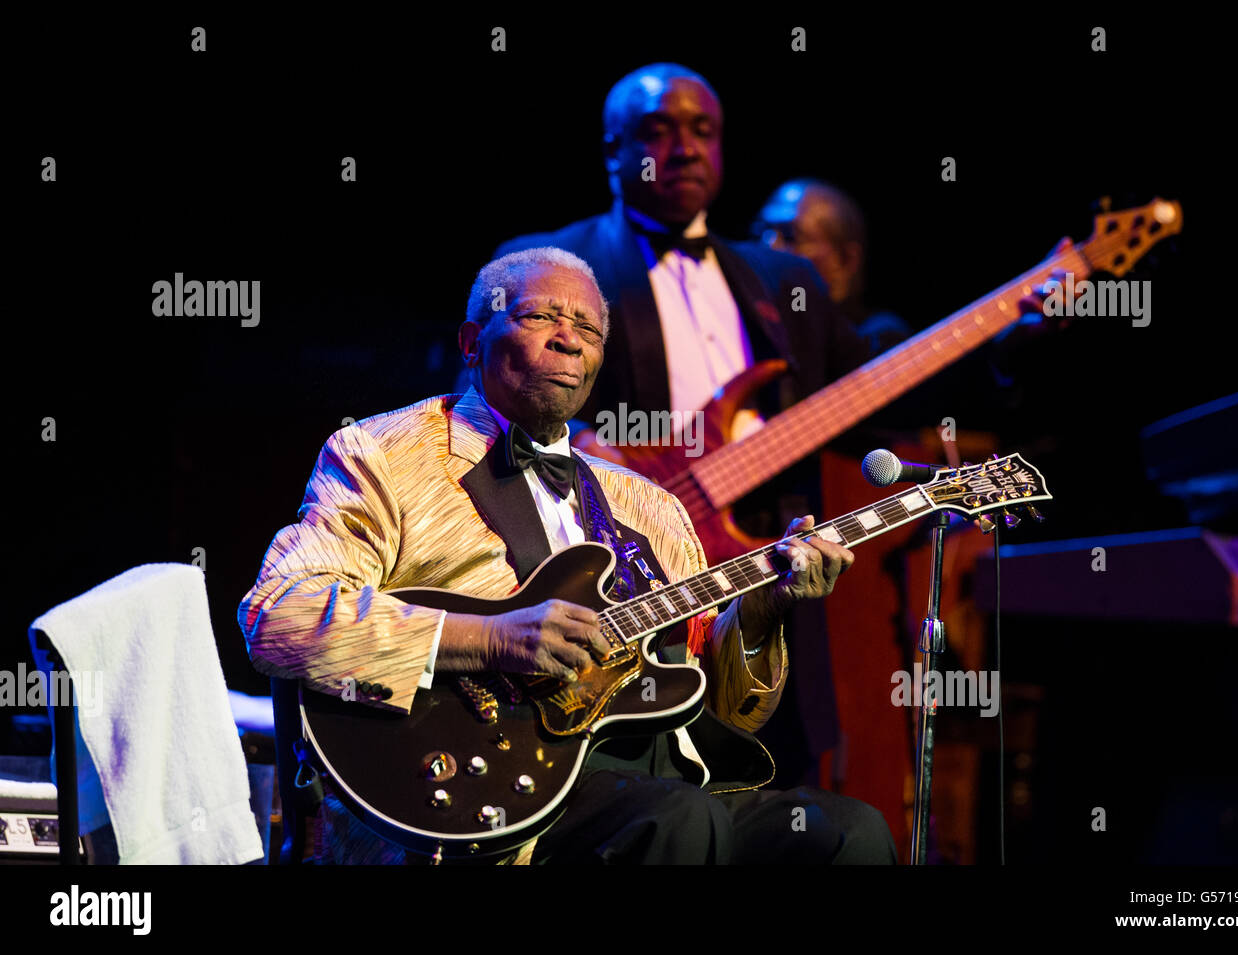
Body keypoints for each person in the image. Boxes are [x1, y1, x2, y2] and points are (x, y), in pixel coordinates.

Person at [238, 248, 897, 864]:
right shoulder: (383, 454)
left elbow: (725, 708)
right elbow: (277, 618)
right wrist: (488, 639)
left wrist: (760, 614)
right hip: (492, 795)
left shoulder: (653, 508)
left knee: (850, 834)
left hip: (665, 779)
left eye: (588, 327)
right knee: (682, 821)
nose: (569, 336)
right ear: (472, 342)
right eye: (540, 316)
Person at [493, 64, 880, 789]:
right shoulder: (554, 267)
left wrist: (1013, 337)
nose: (686, 147)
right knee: (660, 807)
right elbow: (488, 405)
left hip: (770, 582)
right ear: (614, 150)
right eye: (657, 131)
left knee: (783, 800)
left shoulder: (783, 277)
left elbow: (882, 399)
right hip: (621, 610)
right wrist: (594, 461)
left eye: (703, 130)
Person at [752, 178, 911, 356]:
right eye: (762, 232)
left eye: (791, 237)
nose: (769, 247)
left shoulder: (878, 339)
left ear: (845, 259)